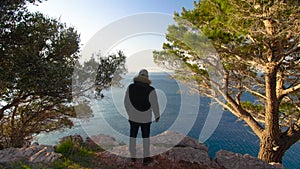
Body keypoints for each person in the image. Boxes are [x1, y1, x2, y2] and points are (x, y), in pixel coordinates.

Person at [124, 69, 160, 165]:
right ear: (147, 77)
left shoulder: (131, 87)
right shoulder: (151, 89)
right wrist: (157, 115)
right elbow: (155, 104)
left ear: (139, 76)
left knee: (133, 136)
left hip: (133, 117)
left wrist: (130, 113)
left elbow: (126, 102)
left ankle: (133, 157)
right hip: (146, 117)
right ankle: (146, 158)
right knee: (146, 138)